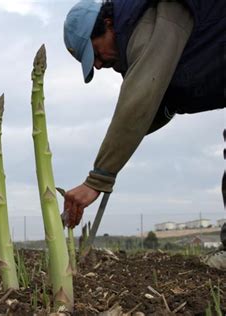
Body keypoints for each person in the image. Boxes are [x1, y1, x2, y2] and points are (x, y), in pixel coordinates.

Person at [62, 0, 225, 269]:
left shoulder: (156, 15)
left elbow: (141, 97)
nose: (100, 66)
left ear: (109, 24)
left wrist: (98, 179)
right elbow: (147, 111)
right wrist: (115, 151)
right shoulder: (140, 36)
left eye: (96, 54)